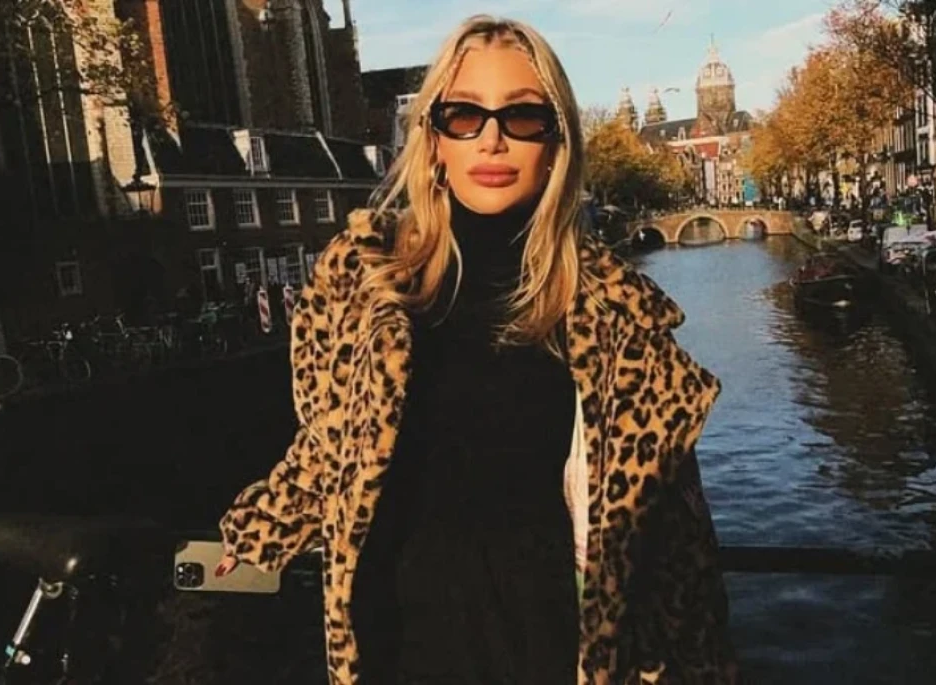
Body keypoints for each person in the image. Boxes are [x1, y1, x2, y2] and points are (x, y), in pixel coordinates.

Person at [217, 15, 736, 685]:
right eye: (464, 116)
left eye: (522, 116)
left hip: (552, 657)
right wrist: (261, 529)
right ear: (434, 139)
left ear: (555, 142)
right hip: (401, 658)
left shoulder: (618, 319)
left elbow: (677, 546)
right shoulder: (361, 285)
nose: (492, 138)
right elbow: (330, 444)